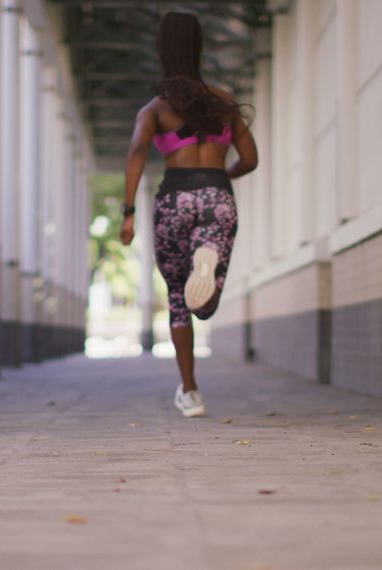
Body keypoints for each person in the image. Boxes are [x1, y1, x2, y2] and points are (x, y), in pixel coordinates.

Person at [120, 11, 258, 418]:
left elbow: (135, 153)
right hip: (217, 195)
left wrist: (128, 212)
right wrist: (222, 178)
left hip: (174, 199)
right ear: (199, 48)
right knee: (207, 305)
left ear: (162, 51)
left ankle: (191, 391)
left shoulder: (155, 109)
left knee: (181, 303)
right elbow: (249, 159)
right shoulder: (224, 101)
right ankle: (207, 254)